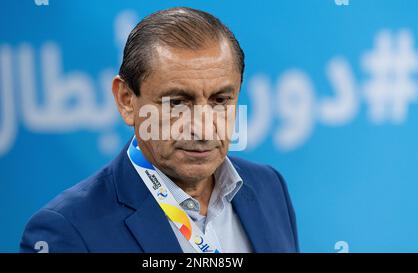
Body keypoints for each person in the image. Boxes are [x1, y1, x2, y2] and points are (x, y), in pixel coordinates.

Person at [20, 7, 299, 253]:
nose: (202, 127)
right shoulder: (67, 230)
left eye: (220, 100)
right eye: (177, 102)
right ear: (126, 100)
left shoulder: (269, 187)